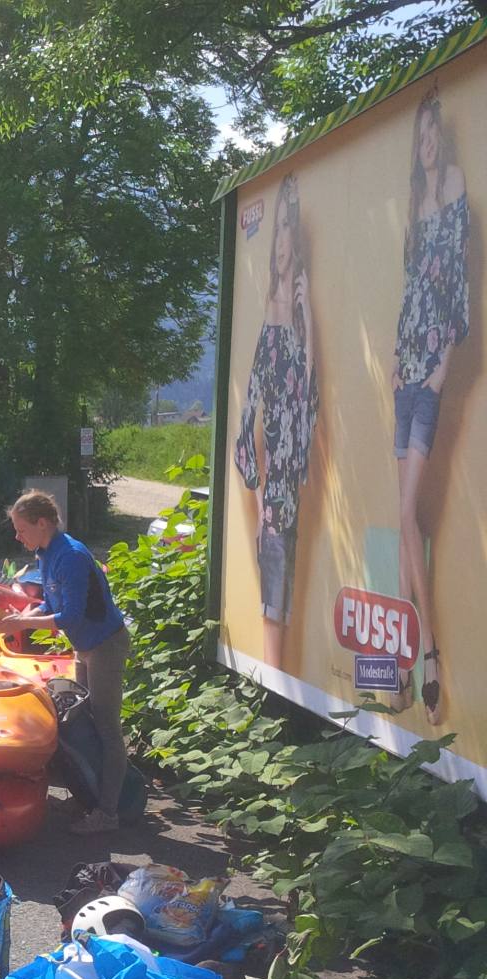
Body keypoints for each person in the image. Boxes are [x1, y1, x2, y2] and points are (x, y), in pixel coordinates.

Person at [389, 90, 469, 723]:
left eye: (431, 133)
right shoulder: (414, 202)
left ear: (441, 136)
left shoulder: (455, 184)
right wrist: (396, 355)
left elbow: (457, 278)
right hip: (404, 371)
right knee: (407, 520)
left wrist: (445, 362)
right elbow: (412, 285)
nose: (427, 144)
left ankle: (430, 655)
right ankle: (401, 664)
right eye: (419, 137)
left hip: (433, 370)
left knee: (406, 512)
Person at [0, 490, 130, 834]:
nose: (18, 537)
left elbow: (70, 616)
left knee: (107, 728)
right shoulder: (45, 553)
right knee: (82, 721)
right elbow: (51, 604)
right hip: (84, 646)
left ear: (42, 523)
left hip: (105, 645)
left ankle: (108, 813)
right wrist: (25, 616)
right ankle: (90, 796)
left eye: (21, 529)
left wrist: (23, 624)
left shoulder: (70, 555)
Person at [233, 172, 318, 671]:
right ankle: (273, 676)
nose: (281, 241)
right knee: (274, 569)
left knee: (285, 572)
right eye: (277, 230)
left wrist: (310, 324)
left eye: (289, 229)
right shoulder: (269, 309)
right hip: (272, 465)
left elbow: (309, 391)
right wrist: (259, 482)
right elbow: (253, 400)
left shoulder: (302, 311)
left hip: (292, 461)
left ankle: (277, 678)